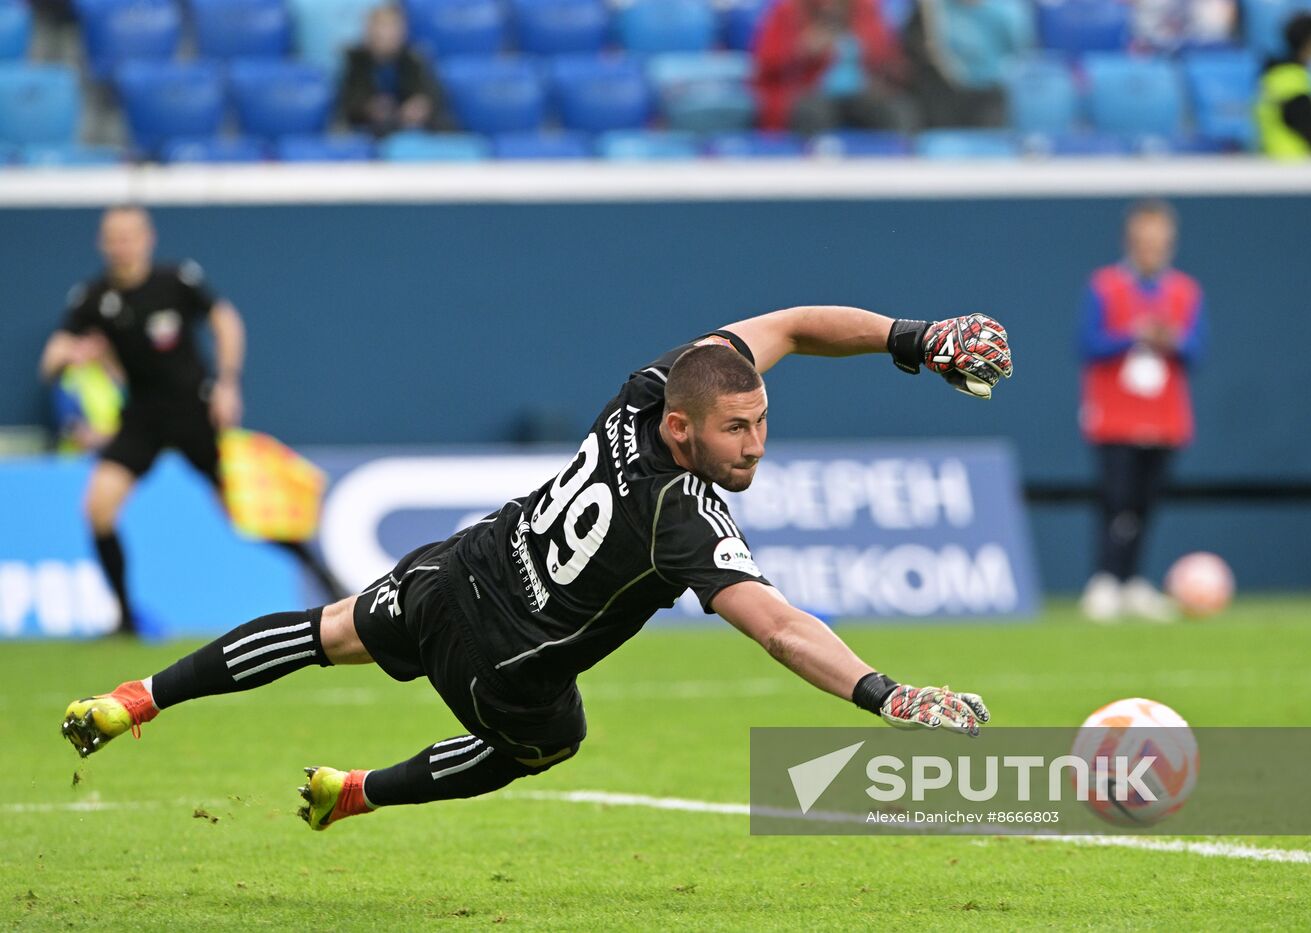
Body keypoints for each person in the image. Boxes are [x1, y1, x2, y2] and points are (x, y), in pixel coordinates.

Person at [59, 306, 1013, 831]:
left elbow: (795, 327)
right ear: (683, 429)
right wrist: (885, 695)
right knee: (550, 744)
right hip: (508, 665)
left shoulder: (651, 389)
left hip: (461, 566)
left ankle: (136, 697)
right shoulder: (679, 515)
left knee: (328, 630)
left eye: (762, 422)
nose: (756, 445)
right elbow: (779, 624)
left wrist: (910, 339)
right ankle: (356, 792)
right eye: (737, 429)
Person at [38, 205, 346, 636]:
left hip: (192, 411)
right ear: (101, 243)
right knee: (98, 508)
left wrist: (228, 382)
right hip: (141, 418)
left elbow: (225, 319)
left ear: (148, 238)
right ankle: (125, 618)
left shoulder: (176, 281)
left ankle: (328, 579)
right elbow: (50, 360)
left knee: (246, 513)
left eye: (129, 236)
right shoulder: (92, 298)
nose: (121, 246)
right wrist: (69, 355)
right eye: (113, 237)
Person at [1078, 200, 1206, 623]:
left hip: (1165, 417)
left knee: (1145, 504)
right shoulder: (1104, 285)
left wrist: (1170, 339)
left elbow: (1195, 349)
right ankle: (1105, 580)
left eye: (1159, 243)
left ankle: (1131, 581)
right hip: (1115, 415)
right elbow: (1088, 344)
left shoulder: (1185, 291)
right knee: (1116, 500)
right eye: (1144, 242)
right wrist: (1132, 334)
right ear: (1130, 242)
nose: (1152, 251)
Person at [753, 0, 914, 135]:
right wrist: (803, 50)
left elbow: (888, 57)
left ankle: (898, 163)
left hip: (862, 93)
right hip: (813, 92)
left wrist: (871, 50)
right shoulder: (790, 10)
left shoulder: (866, 10)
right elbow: (765, 64)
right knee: (811, 112)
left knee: (898, 111)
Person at [902, 0, 1032, 129]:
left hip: (989, 91)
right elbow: (921, 47)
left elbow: (1018, 54)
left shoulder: (1006, 13)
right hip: (945, 90)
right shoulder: (934, 10)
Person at [338, 4, 440, 138]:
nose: (387, 34)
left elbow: (430, 95)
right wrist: (369, 107)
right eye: (381, 27)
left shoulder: (414, 58)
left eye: (393, 27)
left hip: (410, 129)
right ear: (369, 30)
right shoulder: (355, 61)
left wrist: (419, 106)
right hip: (367, 129)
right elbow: (347, 103)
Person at [1256, 11, 1311, 159]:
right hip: (1297, 168)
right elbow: (1310, 131)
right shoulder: (1292, 81)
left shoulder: (1276, 76)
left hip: (1282, 164)